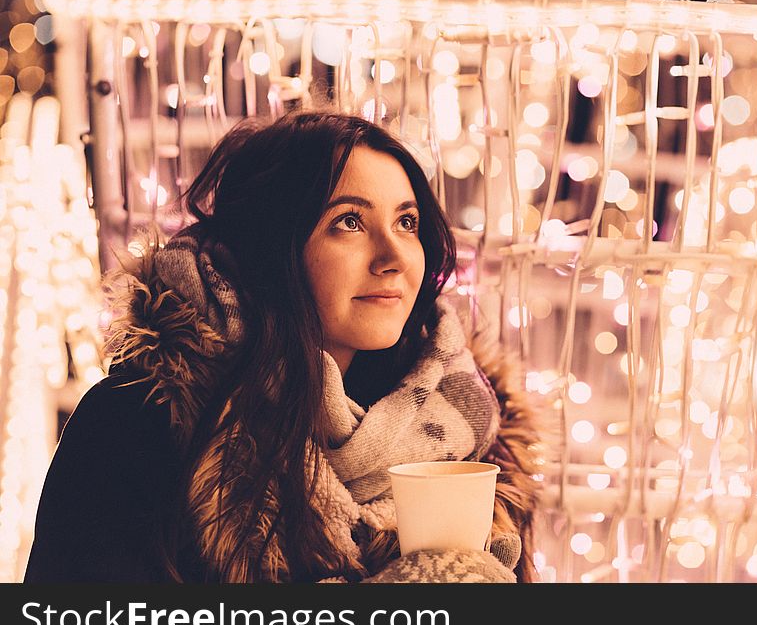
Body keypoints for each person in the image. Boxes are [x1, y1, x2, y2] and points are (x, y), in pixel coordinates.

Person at [24, 111, 542, 583]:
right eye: (349, 222)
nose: (393, 258)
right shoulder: (140, 423)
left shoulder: (469, 430)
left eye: (407, 222)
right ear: (273, 251)